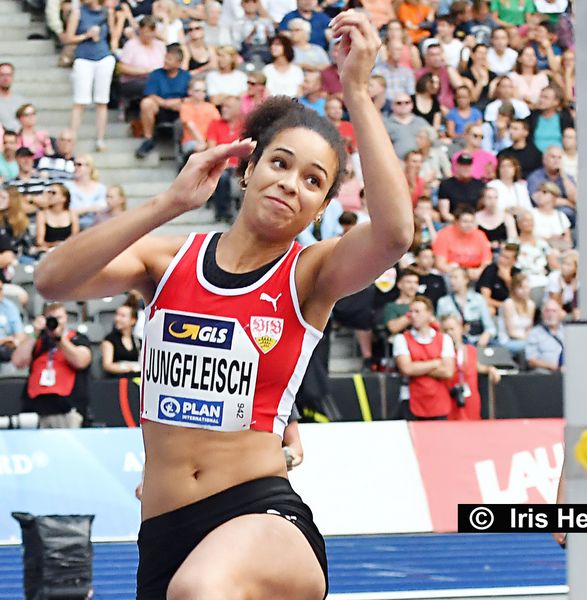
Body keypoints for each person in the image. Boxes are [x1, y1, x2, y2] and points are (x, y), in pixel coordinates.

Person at [33, 11, 413, 598]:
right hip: (163, 531)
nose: (291, 183)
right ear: (248, 168)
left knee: (201, 589)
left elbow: (393, 237)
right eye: (281, 163)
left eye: (314, 181)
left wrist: (356, 89)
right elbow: (53, 278)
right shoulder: (166, 261)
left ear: (320, 210)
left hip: (261, 515)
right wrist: (167, 202)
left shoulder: (310, 273)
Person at [12, 302, 92, 428]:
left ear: (66, 318)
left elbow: (81, 361)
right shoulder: (38, 340)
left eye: (59, 317)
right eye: (51, 318)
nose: (55, 322)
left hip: (66, 407)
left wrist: (59, 339)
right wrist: (34, 333)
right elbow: (18, 362)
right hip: (35, 408)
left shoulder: (77, 338)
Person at [63, 0, 116, 152]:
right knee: (80, 101)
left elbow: (112, 35)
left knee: (102, 101)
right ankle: (72, 137)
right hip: (84, 57)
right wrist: (86, 35)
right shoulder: (78, 12)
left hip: (103, 56)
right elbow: (68, 38)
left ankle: (100, 139)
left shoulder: (107, 11)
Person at [394, 295, 455, 420]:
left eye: (418, 311)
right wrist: (436, 363)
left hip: (439, 401)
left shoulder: (444, 339)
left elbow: (448, 371)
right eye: (411, 311)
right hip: (412, 400)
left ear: (429, 314)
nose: (413, 315)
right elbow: (407, 369)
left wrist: (418, 366)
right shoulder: (401, 339)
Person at [135, 44, 191, 160]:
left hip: (178, 108)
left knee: (188, 106)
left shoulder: (186, 76)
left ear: (178, 63)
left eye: (169, 59)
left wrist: (179, 101)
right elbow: (151, 94)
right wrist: (165, 103)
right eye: (165, 58)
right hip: (160, 107)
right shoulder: (156, 74)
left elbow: (191, 96)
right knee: (146, 103)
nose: (165, 61)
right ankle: (148, 139)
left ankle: (184, 144)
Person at [440, 313, 501, 421]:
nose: (449, 333)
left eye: (452, 329)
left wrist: (490, 369)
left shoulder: (471, 350)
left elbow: (477, 367)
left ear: (461, 329)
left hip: (470, 400)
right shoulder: (441, 353)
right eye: (445, 330)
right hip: (450, 399)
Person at [205, 95, 244, 224]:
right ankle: (223, 213)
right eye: (223, 107)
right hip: (222, 166)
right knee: (222, 177)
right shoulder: (215, 124)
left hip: (241, 167)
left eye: (228, 107)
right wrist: (223, 163)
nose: (223, 109)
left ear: (238, 110)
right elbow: (212, 149)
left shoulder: (245, 126)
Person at [117, 16, 167, 116]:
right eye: (145, 32)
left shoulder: (160, 45)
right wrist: (144, 71)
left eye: (151, 32)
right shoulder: (131, 45)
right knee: (152, 86)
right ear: (140, 31)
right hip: (134, 81)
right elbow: (121, 68)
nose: (148, 35)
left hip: (158, 80)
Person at [437, 266, 496, 347]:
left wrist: (485, 336)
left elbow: (490, 327)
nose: (452, 281)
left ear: (466, 280)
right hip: (457, 341)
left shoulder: (478, 299)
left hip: (478, 339)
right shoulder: (443, 302)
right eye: (450, 278)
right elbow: (441, 329)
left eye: (455, 278)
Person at [433, 205, 493, 282]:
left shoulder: (480, 235)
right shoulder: (444, 234)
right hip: (453, 274)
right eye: (465, 221)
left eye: (471, 222)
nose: (469, 225)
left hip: (476, 273)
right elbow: (440, 264)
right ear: (456, 221)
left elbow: (487, 261)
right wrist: (463, 273)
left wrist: (480, 271)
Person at [515, 209, 558, 306]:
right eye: (526, 221)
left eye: (531, 221)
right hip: (524, 277)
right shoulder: (513, 243)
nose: (529, 223)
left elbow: (553, 263)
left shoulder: (542, 243)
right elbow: (507, 263)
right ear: (519, 224)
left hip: (542, 276)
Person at [527, 145, 577, 227]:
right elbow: (539, 200)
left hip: (568, 218)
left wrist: (564, 176)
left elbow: (575, 199)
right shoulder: (535, 177)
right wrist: (567, 202)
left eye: (559, 158)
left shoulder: (567, 177)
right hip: (542, 215)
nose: (556, 160)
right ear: (544, 160)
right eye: (553, 157)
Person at [179, 78, 221, 160]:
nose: (201, 93)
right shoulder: (185, 107)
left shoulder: (210, 107)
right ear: (190, 91)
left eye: (203, 91)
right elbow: (191, 127)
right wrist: (205, 143)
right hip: (191, 141)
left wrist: (210, 143)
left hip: (209, 141)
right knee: (200, 147)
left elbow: (218, 124)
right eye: (197, 90)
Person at [438, 154, 486, 222]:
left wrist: (472, 222)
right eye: (463, 165)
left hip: (476, 222)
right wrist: (461, 222)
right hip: (453, 222)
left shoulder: (480, 185)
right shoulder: (446, 185)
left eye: (468, 165)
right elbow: (445, 213)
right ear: (457, 166)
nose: (466, 168)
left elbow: (484, 209)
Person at [527, 85, 574, 153]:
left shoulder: (564, 118)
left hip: (559, 157)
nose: (541, 100)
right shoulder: (532, 117)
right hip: (535, 158)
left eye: (545, 98)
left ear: (556, 102)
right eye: (541, 96)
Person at [477, 241, 520, 314]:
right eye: (501, 255)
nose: (501, 260)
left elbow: (519, 300)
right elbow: (485, 298)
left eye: (506, 258)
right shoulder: (490, 270)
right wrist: (506, 306)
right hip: (494, 306)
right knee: (490, 310)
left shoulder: (517, 273)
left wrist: (508, 281)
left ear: (514, 261)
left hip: (512, 310)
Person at [65, 154, 107, 229]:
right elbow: (66, 212)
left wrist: (80, 211)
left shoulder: (101, 188)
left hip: (97, 227)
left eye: (79, 165)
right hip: (74, 227)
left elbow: (104, 208)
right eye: (74, 164)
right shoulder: (67, 186)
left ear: (89, 168)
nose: (75, 167)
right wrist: (89, 209)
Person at [415, 44, 462, 110]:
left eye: (438, 54)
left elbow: (459, 87)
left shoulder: (448, 70)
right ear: (426, 57)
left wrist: (447, 64)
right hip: (429, 110)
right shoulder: (420, 74)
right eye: (432, 55)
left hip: (449, 111)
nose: (436, 58)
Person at [498, 272, 535, 354]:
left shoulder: (531, 304)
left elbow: (529, 328)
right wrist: (528, 339)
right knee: (532, 346)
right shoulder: (508, 304)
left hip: (525, 339)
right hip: (508, 341)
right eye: (521, 288)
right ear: (514, 289)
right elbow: (511, 332)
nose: (525, 291)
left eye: (527, 287)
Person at [384, 93, 429, 161]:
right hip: (397, 165)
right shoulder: (386, 125)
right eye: (399, 103)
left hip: (422, 164)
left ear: (412, 105)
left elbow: (433, 140)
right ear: (392, 106)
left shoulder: (421, 122)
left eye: (407, 102)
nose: (403, 105)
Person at [36, 183, 80, 251]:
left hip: (69, 250)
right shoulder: (42, 214)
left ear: (64, 198)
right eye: (49, 192)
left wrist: (63, 245)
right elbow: (40, 241)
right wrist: (55, 245)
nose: (50, 195)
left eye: (53, 193)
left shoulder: (72, 214)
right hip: (49, 251)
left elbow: (75, 237)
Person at [101, 301, 141, 377]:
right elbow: (107, 365)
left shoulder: (138, 341)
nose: (117, 318)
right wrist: (127, 368)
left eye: (122, 316)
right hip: (117, 381)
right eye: (117, 314)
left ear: (133, 320)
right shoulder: (109, 340)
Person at [525, 297, 564, 372]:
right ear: (542, 314)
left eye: (554, 311)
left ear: (560, 314)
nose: (550, 314)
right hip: (545, 373)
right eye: (547, 311)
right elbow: (531, 360)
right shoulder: (534, 333)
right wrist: (555, 367)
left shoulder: (567, 331)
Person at [230, 0, 274, 66]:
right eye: (247, 1)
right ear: (242, 4)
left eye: (254, 1)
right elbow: (236, 46)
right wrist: (250, 36)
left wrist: (268, 35)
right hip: (246, 53)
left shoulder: (265, 21)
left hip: (265, 51)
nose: (251, 4)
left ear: (258, 4)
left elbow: (274, 39)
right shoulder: (237, 23)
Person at [530, 181, 572, 249]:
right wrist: (548, 240)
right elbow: (526, 238)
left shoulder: (561, 216)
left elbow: (568, 241)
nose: (539, 194)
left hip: (559, 251)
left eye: (544, 192)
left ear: (553, 196)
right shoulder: (531, 214)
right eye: (538, 191)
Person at [7, 147, 47, 216]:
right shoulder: (10, 184)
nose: (27, 160)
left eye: (29, 157)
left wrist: (30, 198)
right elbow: (12, 206)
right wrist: (37, 204)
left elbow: (47, 202)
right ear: (16, 159)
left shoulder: (42, 181)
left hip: (38, 222)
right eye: (23, 157)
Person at [383, 267, 420, 336]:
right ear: (399, 285)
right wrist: (414, 314)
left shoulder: (423, 303)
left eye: (416, 282)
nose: (413, 286)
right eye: (409, 282)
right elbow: (393, 328)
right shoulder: (391, 306)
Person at [546, 249, 579, 320]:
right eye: (563, 263)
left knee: (578, 314)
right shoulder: (554, 277)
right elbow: (554, 304)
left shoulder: (578, 280)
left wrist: (574, 292)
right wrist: (562, 289)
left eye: (568, 265)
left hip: (571, 307)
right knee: (560, 314)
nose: (564, 267)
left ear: (575, 268)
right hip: (554, 308)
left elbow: (576, 306)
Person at [0, 280, 25, 373]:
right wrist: (3, 341)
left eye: (1, 289)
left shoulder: (9, 306)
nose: (1, 292)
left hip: (7, 348)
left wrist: (15, 341)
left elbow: (20, 334)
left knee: (9, 353)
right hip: (3, 342)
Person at [413, 243, 447, 310]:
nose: (430, 260)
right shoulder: (411, 277)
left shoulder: (438, 278)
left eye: (432, 257)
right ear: (417, 259)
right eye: (425, 257)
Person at [0, 63, 27, 132]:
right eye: (2, 75)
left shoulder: (22, 102)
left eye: (8, 75)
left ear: (12, 77)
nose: (5, 78)